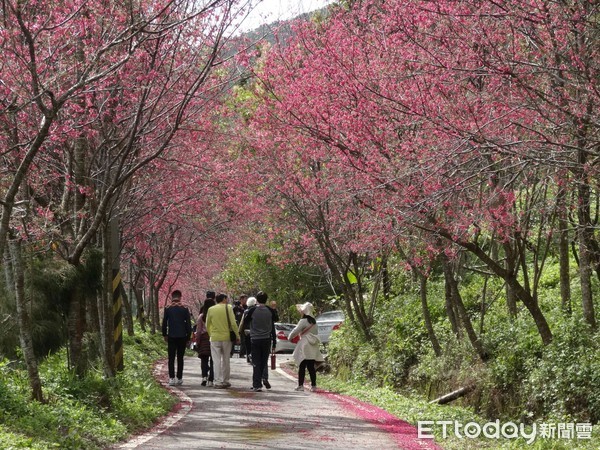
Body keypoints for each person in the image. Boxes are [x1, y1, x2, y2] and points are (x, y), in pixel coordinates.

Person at [240, 291, 277, 392]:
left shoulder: (252, 310)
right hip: (266, 339)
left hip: (255, 339)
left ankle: (257, 384)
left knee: (256, 362)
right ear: (266, 299)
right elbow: (275, 319)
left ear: (256, 300)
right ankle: (262, 379)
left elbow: (246, 321)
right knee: (263, 361)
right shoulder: (270, 310)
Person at [206, 293, 240, 389]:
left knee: (216, 360)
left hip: (214, 337)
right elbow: (233, 323)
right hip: (226, 337)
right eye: (226, 298)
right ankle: (225, 380)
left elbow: (207, 324)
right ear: (224, 299)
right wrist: (237, 335)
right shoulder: (228, 307)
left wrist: (211, 334)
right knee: (226, 359)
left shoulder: (211, 309)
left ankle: (217, 381)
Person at [288, 302, 323, 392]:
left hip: (304, 344)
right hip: (313, 345)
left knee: (302, 365)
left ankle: (300, 385)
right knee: (311, 367)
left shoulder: (303, 321)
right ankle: (314, 386)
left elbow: (296, 331)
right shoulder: (314, 321)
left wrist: (290, 338)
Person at [161, 290, 192, 386]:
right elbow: (188, 324)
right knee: (180, 358)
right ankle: (179, 377)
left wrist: (164, 334)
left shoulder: (168, 308)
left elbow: (164, 323)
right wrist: (188, 336)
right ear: (180, 297)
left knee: (171, 357)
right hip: (182, 336)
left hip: (171, 336)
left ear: (172, 297)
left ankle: (171, 378)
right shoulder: (185, 308)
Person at [196, 298, 216, 386]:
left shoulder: (201, 316)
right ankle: (211, 379)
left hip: (204, 339)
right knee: (213, 360)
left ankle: (204, 377)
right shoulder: (215, 316)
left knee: (204, 359)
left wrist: (197, 341)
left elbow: (199, 330)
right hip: (213, 337)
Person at [239, 296, 257, 364]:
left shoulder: (246, 311)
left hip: (246, 330)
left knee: (247, 344)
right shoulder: (256, 310)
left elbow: (242, 322)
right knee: (253, 344)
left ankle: (248, 358)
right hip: (254, 330)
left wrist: (239, 330)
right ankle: (252, 357)